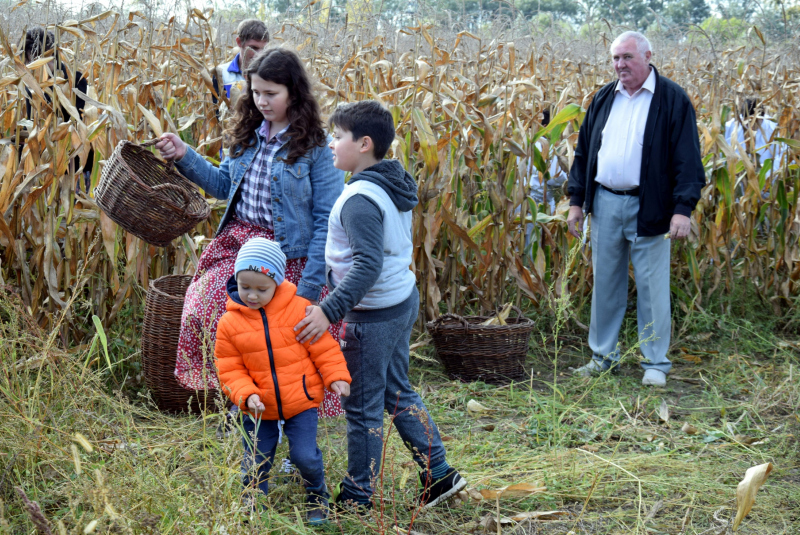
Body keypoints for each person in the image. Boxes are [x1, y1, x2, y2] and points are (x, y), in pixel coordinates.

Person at [155, 47, 346, 419]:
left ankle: (292, 417)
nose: (261, 101)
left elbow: (326, 219)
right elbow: (224, 184)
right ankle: (243, 400)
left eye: (271, 93)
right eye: (256, 92)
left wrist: (307, 289)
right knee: (204, 311)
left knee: (288, 340)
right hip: (241, 246)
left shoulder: (316, 146)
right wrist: (183, 154)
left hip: (292, 255)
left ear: (293, 92)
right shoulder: (246, 133)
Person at [294, 100, 467, 509]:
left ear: (365, 144)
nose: (332, 145)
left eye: (339, 137)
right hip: (399, 300)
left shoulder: (359, 201)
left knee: (363, 409)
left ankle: (358, 495)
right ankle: (439, 474)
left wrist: (327, 310)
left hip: (373, 315)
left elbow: (368, 264)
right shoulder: (389, 182)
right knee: (397, 392)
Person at [566, 31, 705, 387]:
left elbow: (688, 160)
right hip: (607, 202)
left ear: (647, 56)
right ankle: (603, 356)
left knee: (652, 286)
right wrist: (576, 202)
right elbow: (584, 153)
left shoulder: (671, 99)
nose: (620, 65)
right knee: (606, 284)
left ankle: (655, 362)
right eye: (615, 58)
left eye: (627, 57)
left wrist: (682, 209)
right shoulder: (603, 98)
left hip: (652, 206)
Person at [215, 237, 351, 524]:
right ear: (236, 281)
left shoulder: (299, 310)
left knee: (304, 455)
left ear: (277, 282)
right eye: (245, 287)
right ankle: (253, 505)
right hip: (258, 406)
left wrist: (336, 376)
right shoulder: (230, 322)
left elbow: (323, 348)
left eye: (261, 289)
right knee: (256, 458)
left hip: (300, 401)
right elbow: (229, 368)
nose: (252, 295)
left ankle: (317, 496)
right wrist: (245, 394)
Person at [23, 27, 93, 189]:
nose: (30, 66)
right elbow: (31, 123)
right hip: (45, 166)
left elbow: (81, 123)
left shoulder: (76, 79)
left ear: (48, 54)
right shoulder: (32, 87)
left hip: (76, 166)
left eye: (32, 61)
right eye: (28, 62)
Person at [213, 19, 269, 106]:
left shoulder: (271, 73)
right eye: (253, 47)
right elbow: (214, 112)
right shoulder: (221, 73)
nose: (259, 54)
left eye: (263, 49)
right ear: (239, 42)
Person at [724, 98, 784, 171]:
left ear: (762, 117)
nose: (751, 127)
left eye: (755, 122)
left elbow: (783, 156)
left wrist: (766, 173)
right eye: (747, 123)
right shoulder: (731, 127)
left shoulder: (773, 128)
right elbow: (723, 155)